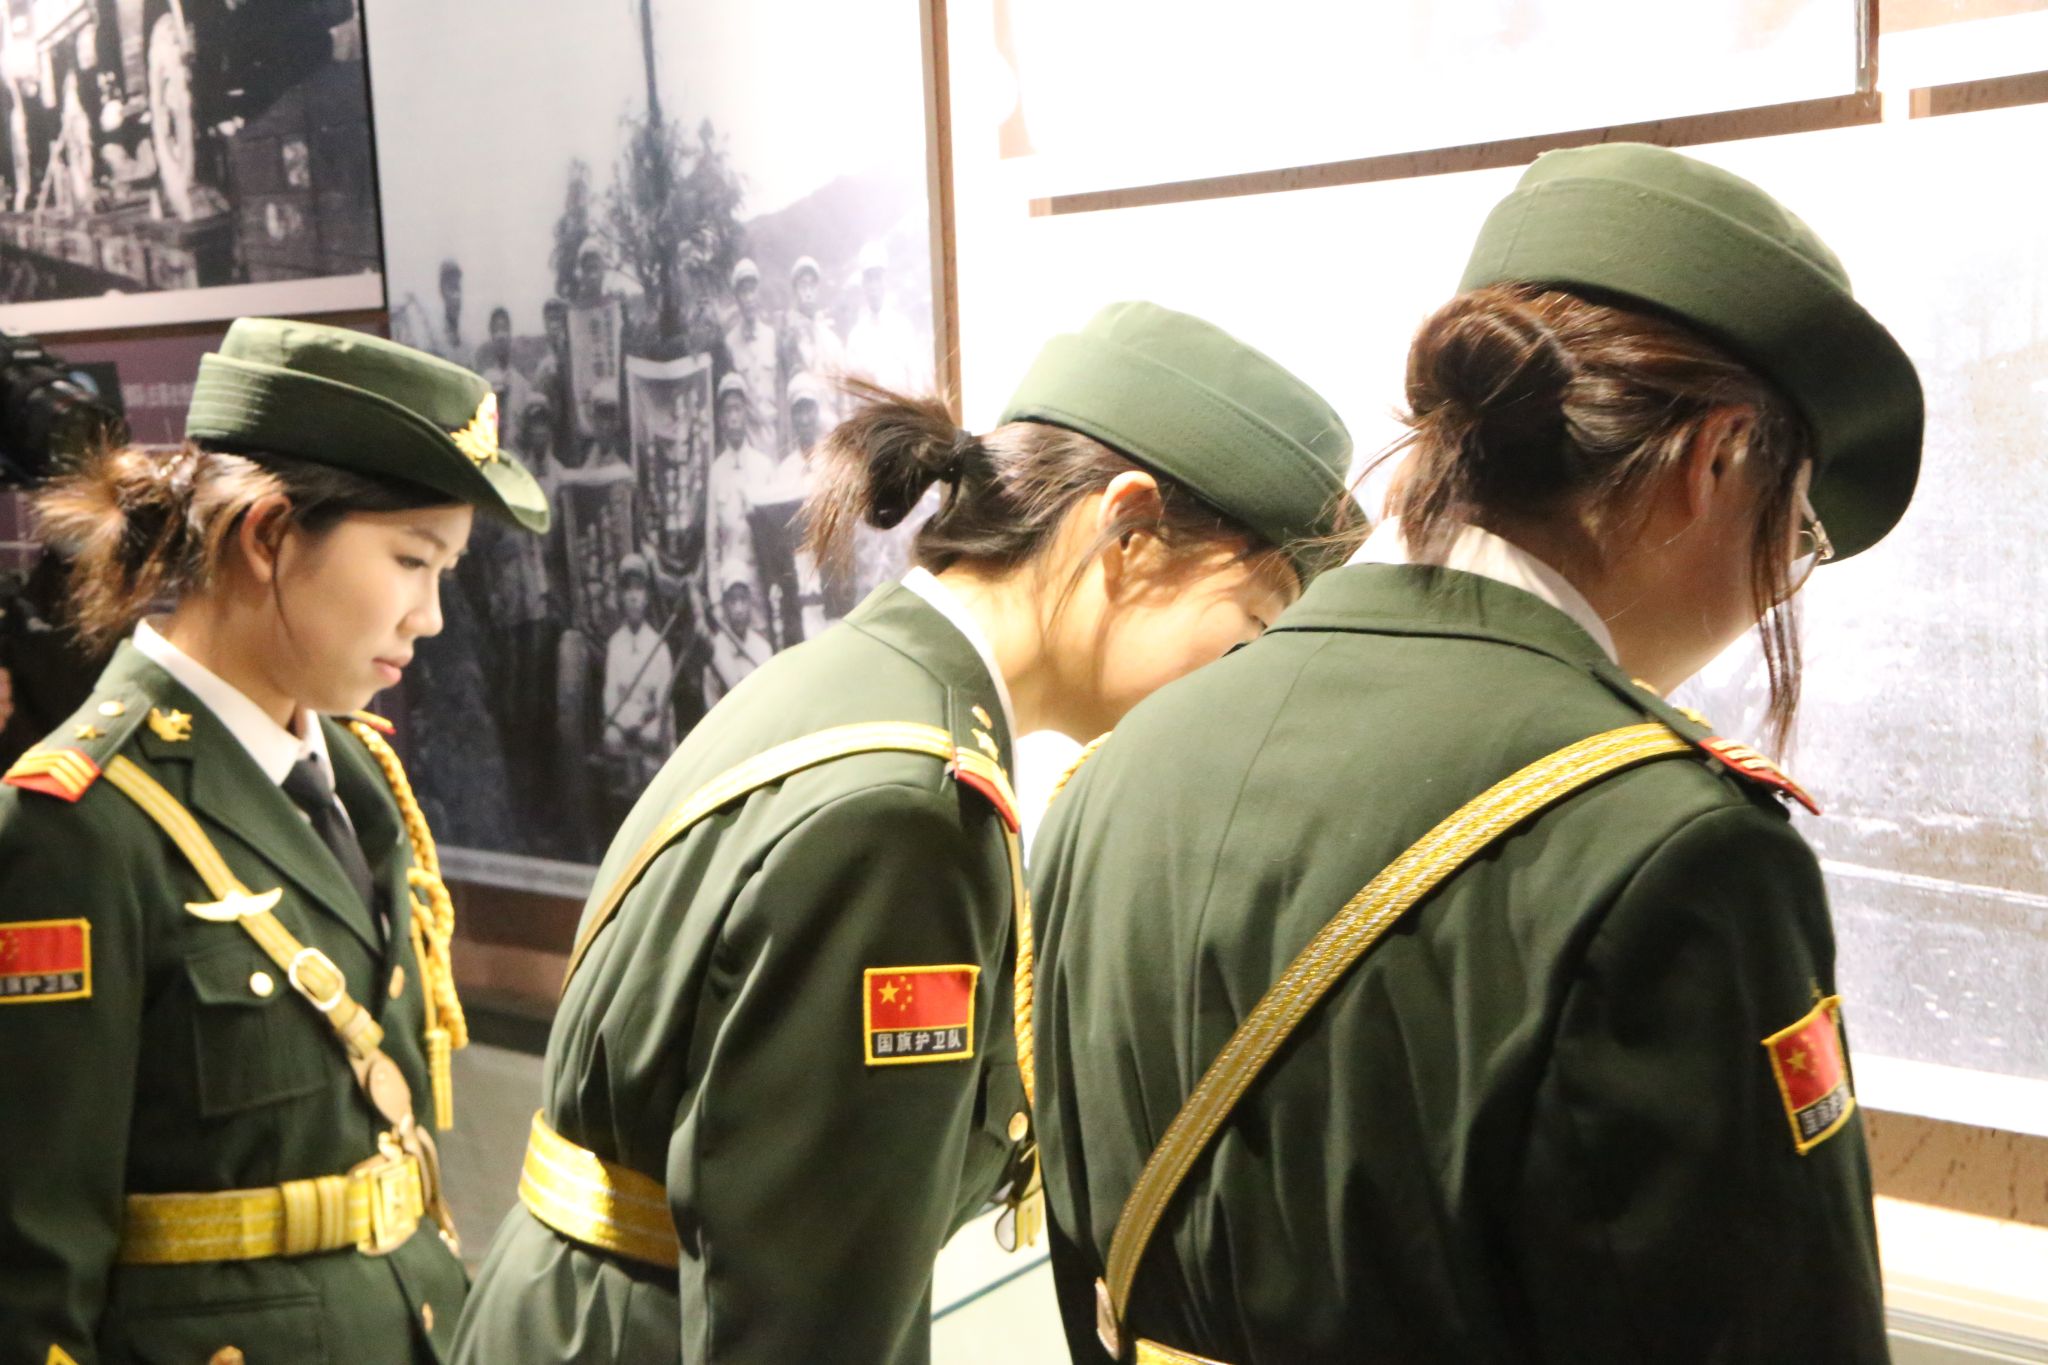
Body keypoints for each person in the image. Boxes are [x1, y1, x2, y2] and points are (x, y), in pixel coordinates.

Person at [1030, 144, 1923, 1365]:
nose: (1777, 579)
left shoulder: (1118, 770)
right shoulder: (1670, 848)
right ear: (1715, 457)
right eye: (1799, 528)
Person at [450, 300, 1357, 1365]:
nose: (1238, 681)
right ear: (1128, 533)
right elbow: (809, 1309)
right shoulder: (908, 812)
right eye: (1249, 627)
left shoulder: (861, 684)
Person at [0, 318, 553, 1363]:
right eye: (410, 560)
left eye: (443, 569)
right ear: (265, 537)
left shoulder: (355, 779)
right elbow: (34, 1266)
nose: (429, 615)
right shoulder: (81, 827)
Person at [600, 551, 675, 802]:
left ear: (647, 597)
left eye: (639, 589)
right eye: (628, 589)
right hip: (623, 724)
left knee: (652, 738)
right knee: (611, 740)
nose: (633, 597)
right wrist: (623, 721)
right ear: (621, 596)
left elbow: (664, 703)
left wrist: (647, 722)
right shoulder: (615, 644)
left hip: (649, 725)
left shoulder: (659, 646)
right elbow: (610, 695)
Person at [706, 371, 774, 620]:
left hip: (759, 585)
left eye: (737, 409)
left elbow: (775, 537)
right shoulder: (716, 472)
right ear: (721, 419)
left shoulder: (764, 467)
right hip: (729, 588)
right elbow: (712, 543)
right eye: (727, 411)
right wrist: (715, 599)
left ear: (746, 412)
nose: (733, 417)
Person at [845, 241, 926, 395]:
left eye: (877, 278)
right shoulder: (856, 337)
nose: (873, 286)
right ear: (863, 284)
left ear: (885, 281)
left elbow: (916, 382)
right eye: (869, 279)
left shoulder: (903, 327)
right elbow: (851, 390)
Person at [778, 254, 844, 425]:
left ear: (817, 289)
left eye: (812, 285)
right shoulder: (788, 339)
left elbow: (842, 397)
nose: (808, 292)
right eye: (803, 286)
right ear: (795, 291)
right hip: (802, 427)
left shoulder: (832, 340)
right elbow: (782, 393)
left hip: (830, 426)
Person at [723, 258, 780, 442]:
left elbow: (780, 389)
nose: (748, 299)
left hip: (772, 432)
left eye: (752, 291)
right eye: (743, 292)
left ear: (758, 293)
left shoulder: (772, 337)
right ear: (736, 297)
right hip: (745, 435)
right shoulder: (730, 342)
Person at [703, 577, 772, 708]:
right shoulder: (715, 651)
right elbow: (711, 704)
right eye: (732, 601)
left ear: (750, 603)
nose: (738, 609)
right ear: (724, 604)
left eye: (743, 600)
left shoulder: (763, 649)